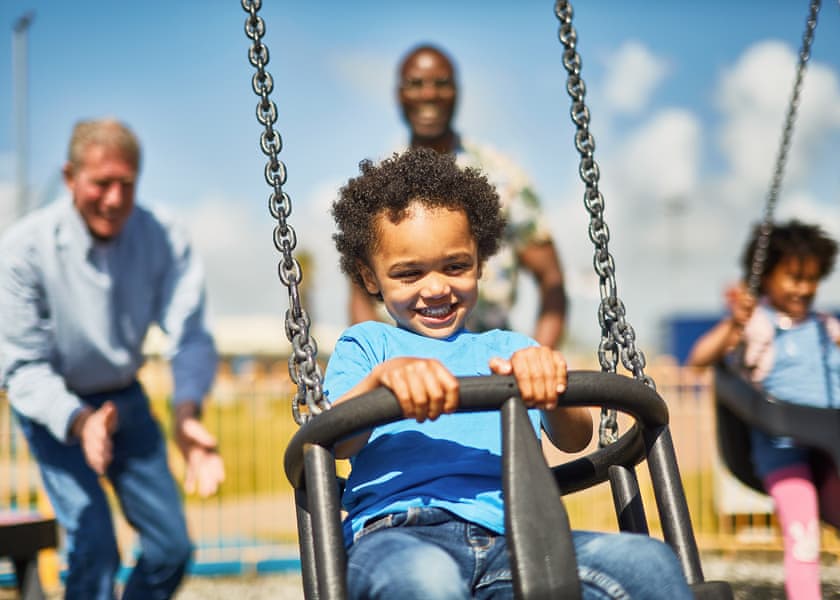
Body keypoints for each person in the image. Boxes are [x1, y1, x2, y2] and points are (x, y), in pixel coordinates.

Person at [328, 146, 693, 599]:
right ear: (369, 277)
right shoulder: (368, 345)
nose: (437, 287)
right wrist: (379, 385)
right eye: (409, 274)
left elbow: (575, 437)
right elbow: (336, 439)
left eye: (456, 266)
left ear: (480, 261)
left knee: (647, 562)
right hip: (397, 534)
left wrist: (550, 386)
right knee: (427, 581)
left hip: (517, 537)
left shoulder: (511, 349)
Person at [0, 118, 224, 600]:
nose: (115, 199)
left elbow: (190, 334)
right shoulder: (23, 251)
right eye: (102, 183)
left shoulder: (162, 236)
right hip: (57, 408)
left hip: (125, 400)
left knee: (171, 547)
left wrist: (187, 414)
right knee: (95, 545)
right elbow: (21, 367)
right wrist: (81, 422)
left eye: (127, 184)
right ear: (69, 177)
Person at [348, 43, 567, 348]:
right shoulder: (379, 183)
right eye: (415, 84)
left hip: (490, 371)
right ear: (399, 94)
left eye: (441, 84)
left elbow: (551, 280)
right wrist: (379, 361)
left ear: (458, 92)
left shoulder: (502, 175)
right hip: (404, 367)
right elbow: (359, 292)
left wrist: (538, 358)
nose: (428, 94)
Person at [686, 220, 840, 600]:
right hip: (782, 448)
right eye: (793, 277)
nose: (804, 288)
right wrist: (733, 324)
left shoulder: (826, 326)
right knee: (803, 536)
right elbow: (699, 360)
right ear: (767, 277)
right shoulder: (758, 324)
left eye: (812, 279)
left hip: (830, 445)